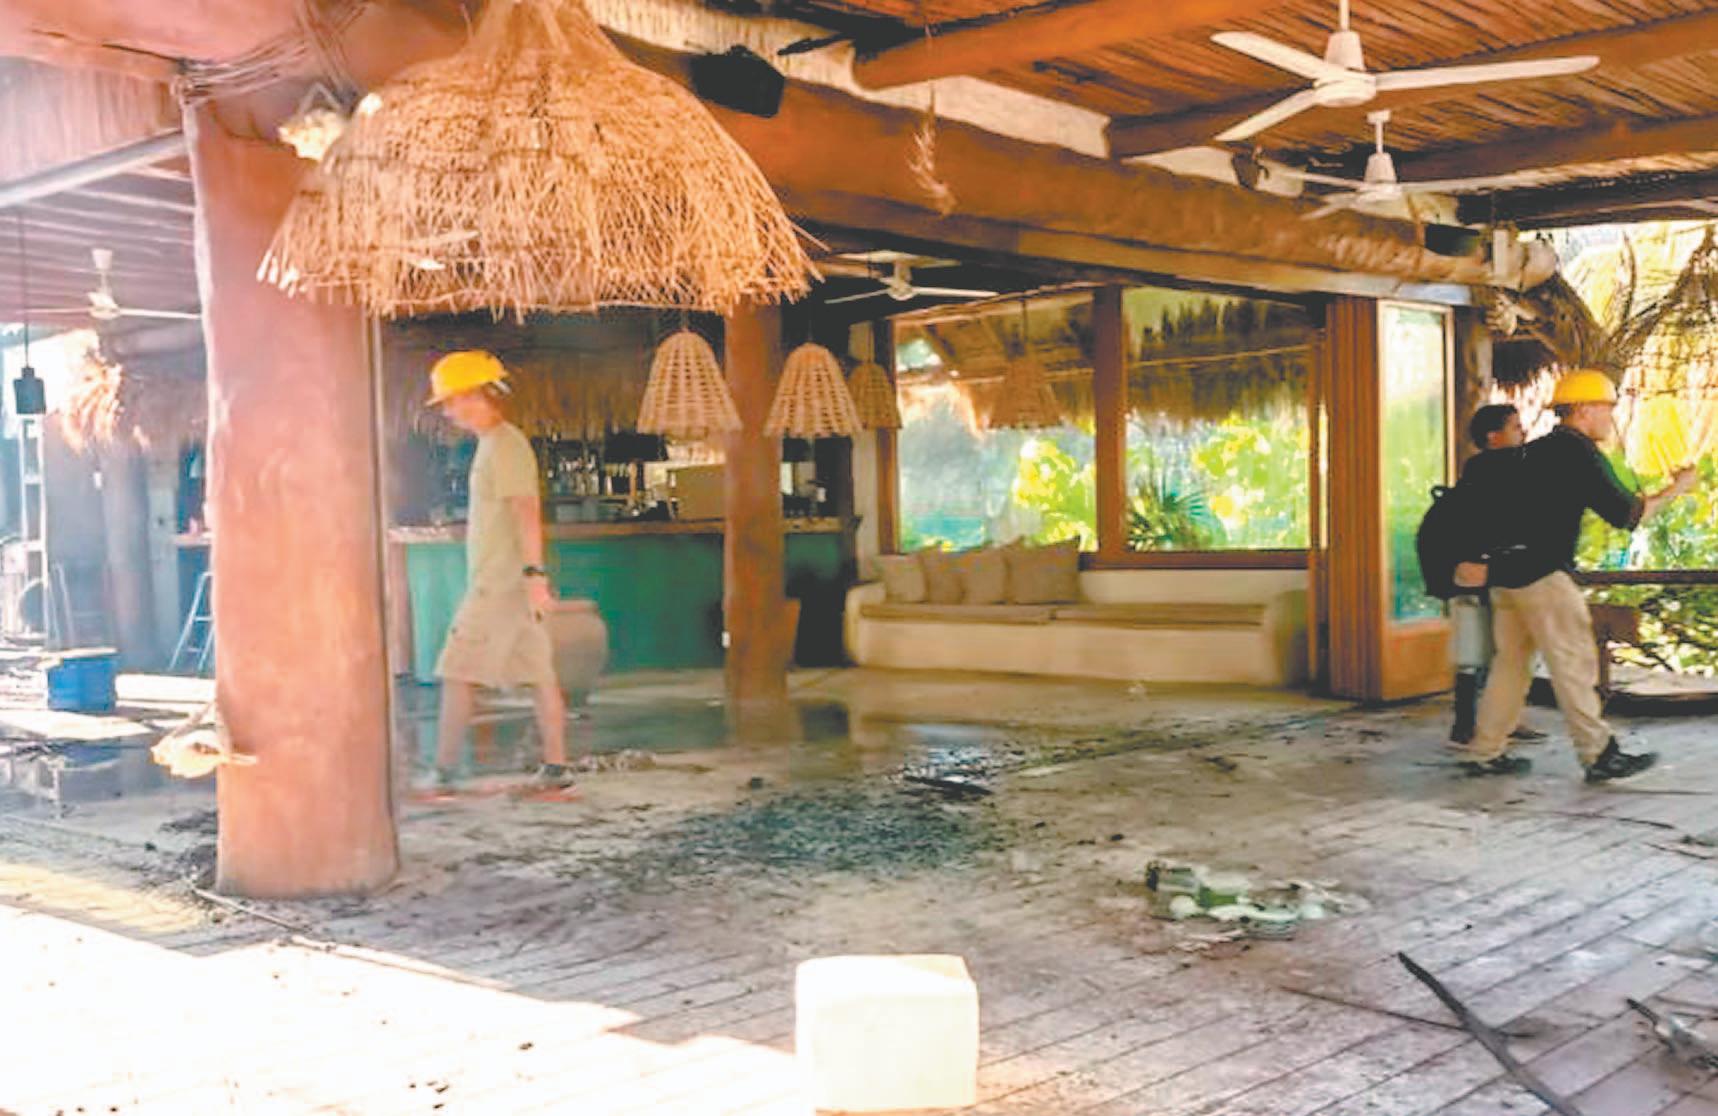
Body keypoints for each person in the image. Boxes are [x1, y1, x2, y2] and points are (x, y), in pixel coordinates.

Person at [1460, 370, 1696, 782]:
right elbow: (1628, 514)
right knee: (1574, 664)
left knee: (1510, 667)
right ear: (1584, 410)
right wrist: (1678, 487)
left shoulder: (1534, 450)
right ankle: (1599, 753)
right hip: (1542, 576)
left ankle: (1485, 752)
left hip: (1505, 576)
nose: (1611, 417)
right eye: (1607, 408)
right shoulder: (1578, 452)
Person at [426, 350, 574, 794]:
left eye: (451, 400)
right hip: (508, 584)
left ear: (478, 396)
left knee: (456, 671)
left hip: (499, 586)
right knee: (539, 675)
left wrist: (534, 575)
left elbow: (525, 511)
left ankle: (443, 773)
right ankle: (556, 768)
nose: (448, 411)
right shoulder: (496, 444)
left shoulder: (506, 445)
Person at [1447, 404, 1546, 747]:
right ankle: (1468, 724)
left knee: (1497, 649)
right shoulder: (1489, 467)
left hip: (1487, 568)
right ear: (1493, 437)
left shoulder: (1491, 469)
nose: (1523, 433)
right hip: (1479, 568)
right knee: (1478, 649)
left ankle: (1496, 720)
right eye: (1515, 427)